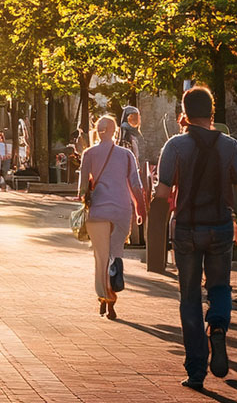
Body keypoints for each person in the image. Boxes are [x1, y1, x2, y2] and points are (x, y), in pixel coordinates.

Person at [153, 87, 237, 391]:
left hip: (186, 230)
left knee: (189, 297)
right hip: (220, 228)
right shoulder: (230, 146)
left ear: (185, 114)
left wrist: (154, 241)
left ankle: (196, 371)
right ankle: (217, 325)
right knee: (220, 286)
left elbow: (162, 196)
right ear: (213, 113)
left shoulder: (174, 146)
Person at [78, 115, 147, 321]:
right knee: (114, 256)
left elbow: (82, 189)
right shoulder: (126, 156)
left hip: (98, 212)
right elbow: (136, 184)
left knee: (100, 258)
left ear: (97, 131)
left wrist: (90, 189)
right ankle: (112, 299)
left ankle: (104, 297)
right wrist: (141, 209)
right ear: (115, 131)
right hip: (121, 211)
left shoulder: (89, 154)